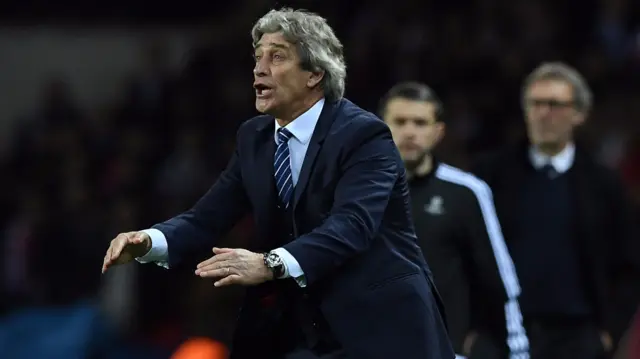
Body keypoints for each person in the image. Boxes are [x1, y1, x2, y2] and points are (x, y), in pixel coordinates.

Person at [101, 8, 454, 359]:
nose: (259, 68)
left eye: (277, 56)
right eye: (257, 57)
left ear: (315, 73)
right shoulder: (254, 138)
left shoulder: (364, 135)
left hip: (381, 327)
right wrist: (149, 241)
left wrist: (268, 264)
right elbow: (207, 217)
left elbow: (352, 225)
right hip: (304, 329)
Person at [472, 62, 639, 359]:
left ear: (579, 114)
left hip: (577, 339)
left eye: (556, 104)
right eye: (535, 103)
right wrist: (469, 334)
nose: (544, 113)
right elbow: (462, 256)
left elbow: (627, 266)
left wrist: (608, 332)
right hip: (499, 336)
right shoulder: (489, 177)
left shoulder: (604, 185)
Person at [380, 82, 529, 359]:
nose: (409, 131)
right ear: (380, 128)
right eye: (400, 122)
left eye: (420, 123)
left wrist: (518, 353)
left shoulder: (467, 192)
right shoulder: (355, 190)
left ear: (438, 132)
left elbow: (499, 283)